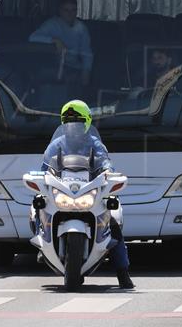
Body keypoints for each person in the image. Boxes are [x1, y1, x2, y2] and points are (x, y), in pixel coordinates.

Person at [41, 100, 134, 290]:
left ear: (88, 122)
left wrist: (109, 172)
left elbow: (107, 163)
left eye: (78, 122)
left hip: (88, 191)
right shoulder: (56, 145)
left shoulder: (95, 144)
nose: (72, 127)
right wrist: (42, 175)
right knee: (38, 207)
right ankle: (43, 245)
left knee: (113, 221)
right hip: (64, 192)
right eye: (68, 122)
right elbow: (44, 168)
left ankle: (123, 273)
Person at [29, 0, 93, 84]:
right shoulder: (52, 24)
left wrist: (86, 71)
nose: (70, 13)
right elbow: (33, 37)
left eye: (73, 10)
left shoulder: (81, 28)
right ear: (60, 11)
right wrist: (54, 40)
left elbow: (86, 52)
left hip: (75, 68)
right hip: (54, 66)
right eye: (66, 10)